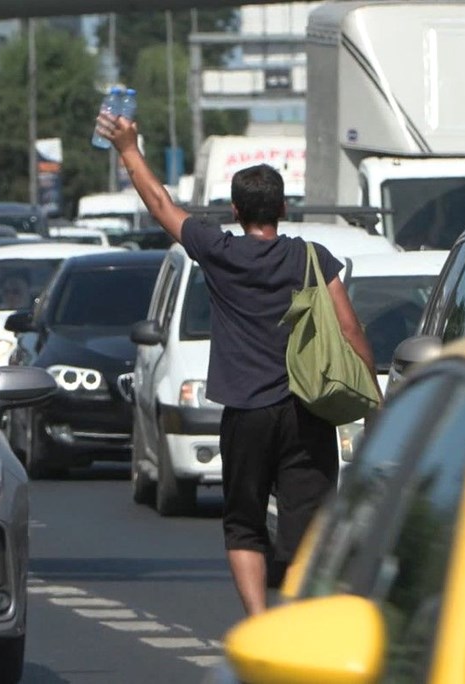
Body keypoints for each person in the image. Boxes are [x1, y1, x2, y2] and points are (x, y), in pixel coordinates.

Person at [97, 112, 379, 616]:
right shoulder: (312, 258)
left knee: (244, 522)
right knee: (310, 523)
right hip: (306, 410)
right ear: (283, 208)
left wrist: (128, 148)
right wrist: (371, 399)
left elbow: (161, 205)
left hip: (246, 410)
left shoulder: (220, 251)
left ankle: (257, 619)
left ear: (235, 210)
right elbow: (350, 327)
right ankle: (299, 615)